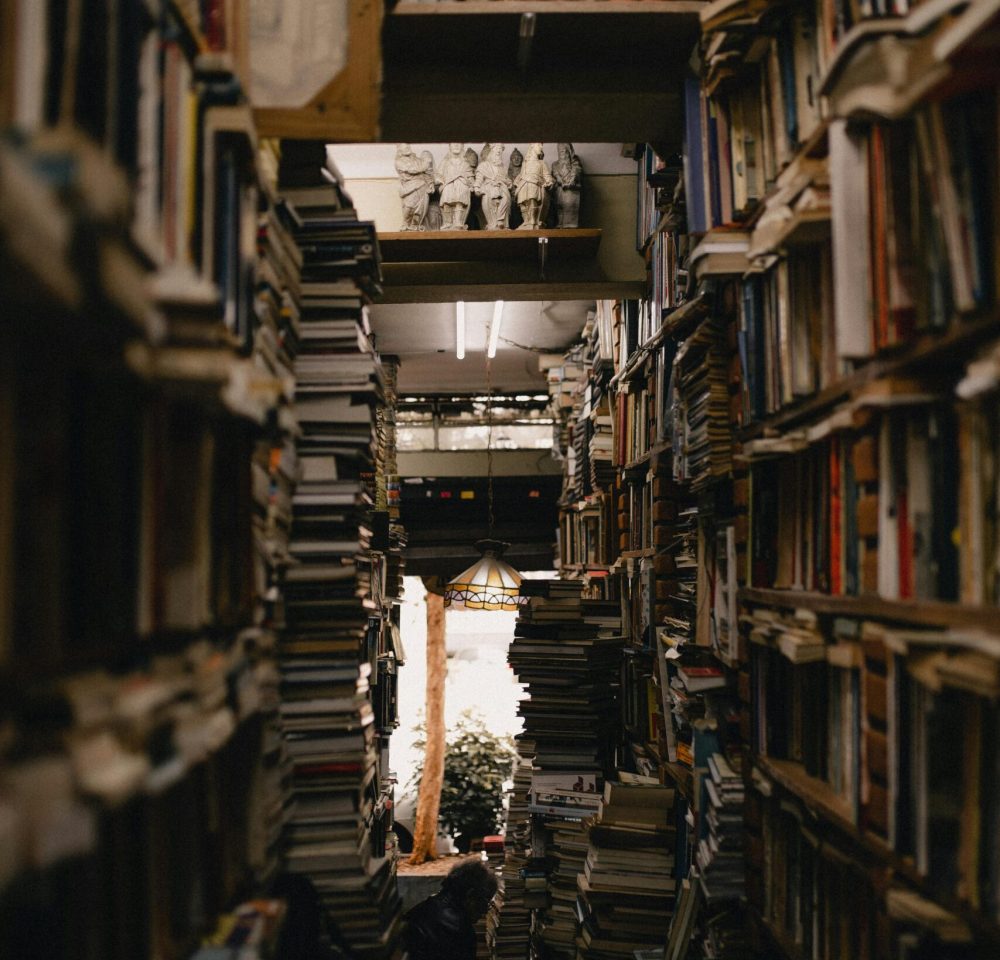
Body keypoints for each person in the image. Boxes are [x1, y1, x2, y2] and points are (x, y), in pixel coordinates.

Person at [400, 859, 498, 960]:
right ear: (471, 895)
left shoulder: (420, 910)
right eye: (485, 902)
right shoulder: (460, 931)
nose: (485, 911)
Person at [513, 142, 553, 230]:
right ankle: (526, 221)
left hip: (534, 184)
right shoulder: (525, 163)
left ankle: (533, 221)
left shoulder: (542, 163)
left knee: (532, 200)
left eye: (541, 146)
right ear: (532, 147)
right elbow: (521, 174)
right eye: (538, 145)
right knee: (523, 203)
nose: (541, 147)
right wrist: (517, 180)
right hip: (523, 184)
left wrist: (549, 182)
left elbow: (547, 175)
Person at [435, 143, 475, 230]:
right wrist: (440, 180)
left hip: (461, 185)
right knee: (446, 202)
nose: (456, 146)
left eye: (459, 144)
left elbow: (470, 177)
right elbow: (438, 176)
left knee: (459, 202)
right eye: (454, 144)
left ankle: (458, 222)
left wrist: (472, 185)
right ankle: (448, 223)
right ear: (450, 147)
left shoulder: (465, 163)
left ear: (462, 147)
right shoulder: (445, 162)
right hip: (448, 185)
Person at [474, 143, 511, 230]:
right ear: (491, 150)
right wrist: (477, 188)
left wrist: (509, 183)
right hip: (488, 189)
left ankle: (502, 222)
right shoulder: (483, 165)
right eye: (497, 148)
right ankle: (492, 224)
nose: (499, 151)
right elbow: (479, 179)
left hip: (502, 188)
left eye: (501, 149)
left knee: (505, 198)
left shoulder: (503, 167)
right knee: (489, 201)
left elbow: (507, 180)